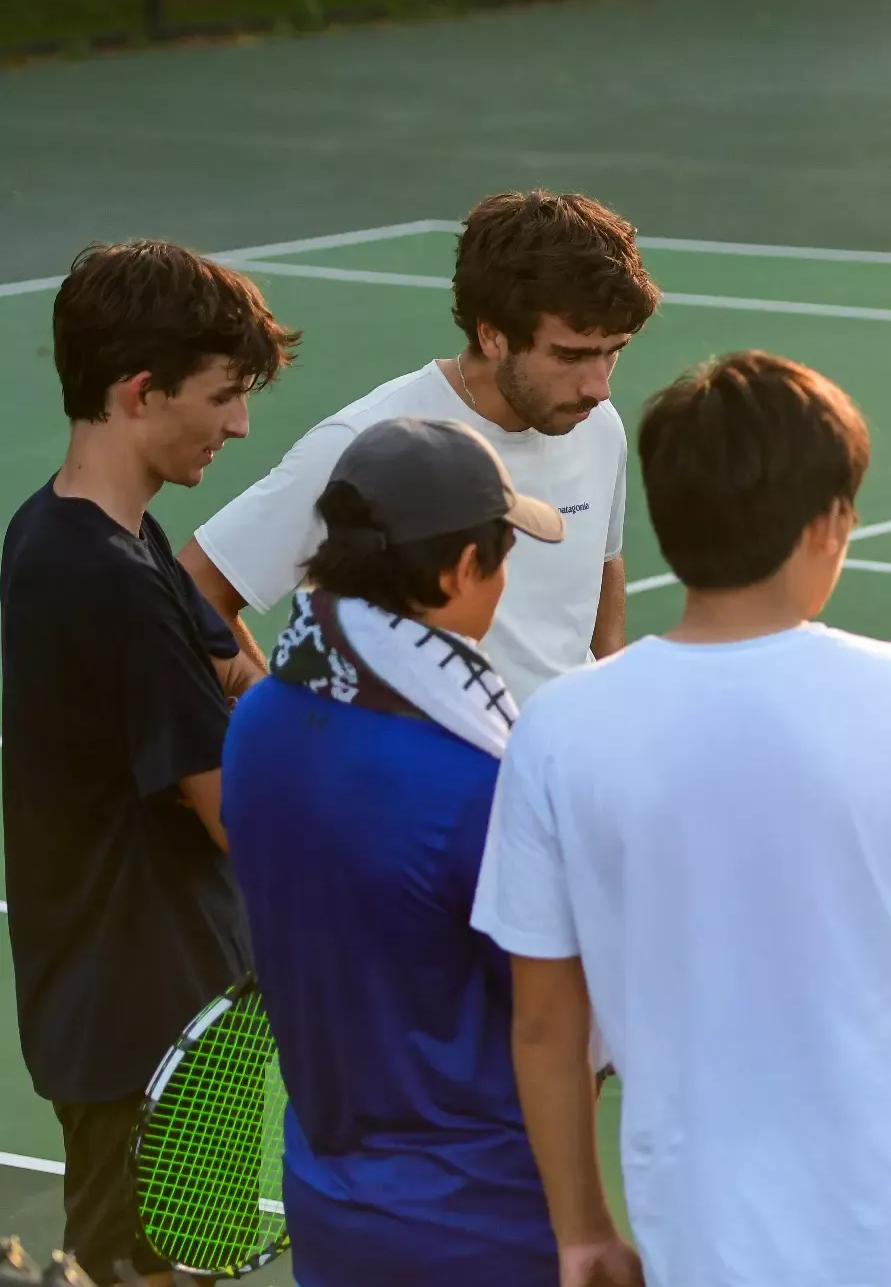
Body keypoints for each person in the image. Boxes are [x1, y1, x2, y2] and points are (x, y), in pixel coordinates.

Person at [470, 350, 891, 1287]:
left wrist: (581, 1229)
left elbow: (546, 1023)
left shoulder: (557, 729)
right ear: (829, 522)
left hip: (707, 1249)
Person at [1, 241, 297, 1286]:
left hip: (160, 1003)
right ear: (140, 392)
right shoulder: (109, 582)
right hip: (150, 1026)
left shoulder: (90, 535)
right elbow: (239, 815)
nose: (239, 423)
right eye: (222, 395)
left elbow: (242, 674)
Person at [221, 417, 568, 1285]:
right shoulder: (479, 784)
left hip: (328, 1210)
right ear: (460, 570)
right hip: (481, 1226)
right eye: (503, 554)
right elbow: (554, 1020)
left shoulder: (256, 722)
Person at [179, 188, 659, 703]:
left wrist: (612, 696)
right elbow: (195, 590)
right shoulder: (366, 443)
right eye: (570, 356)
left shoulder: (597, 424)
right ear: (492, 335)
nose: (599, 386)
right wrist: (280, 718)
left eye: (613, 352)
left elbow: (602, 561)